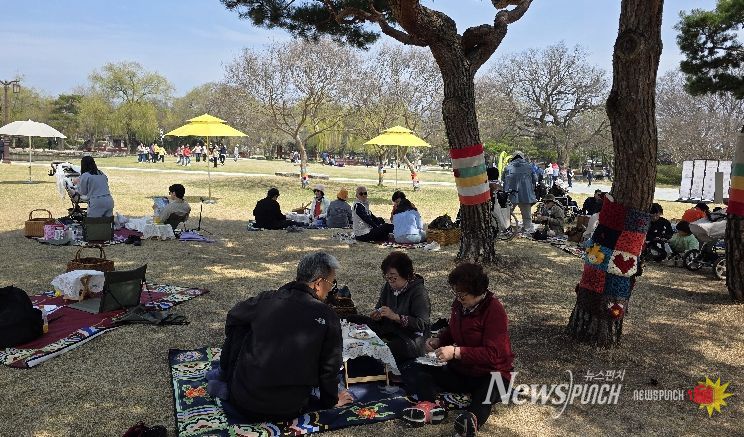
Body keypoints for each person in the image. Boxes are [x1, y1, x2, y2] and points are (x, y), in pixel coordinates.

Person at [218, 252, 353, 421]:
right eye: (332, 283)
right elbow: (330, 367)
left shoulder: (266, 300)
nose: (331, 289)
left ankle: (225, 376)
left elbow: (233, 317)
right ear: (318, 283)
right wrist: (331, 400)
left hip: (243, 401)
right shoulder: (327, 315)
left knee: (241, 326)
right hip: (290, 407)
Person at [401, 263, 513, 436]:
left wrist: (456, 352)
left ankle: (470, 421)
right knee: (420, 370)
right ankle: (429, 406)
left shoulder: (494, 310)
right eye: (456, 293)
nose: (458, 298)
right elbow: (453, 330)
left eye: (462, 294)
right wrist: (439, 340)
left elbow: (493, 354)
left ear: (478, 291)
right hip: (464, 370)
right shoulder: (460, 304)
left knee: (485, 394)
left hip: (492, 372)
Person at [347, 252, 430, 366]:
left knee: (384, 351)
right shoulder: (388, 286)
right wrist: (377, 315)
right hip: (388, 329)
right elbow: (380, 307)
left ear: (406, 274)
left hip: (409, 338)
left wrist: (396, 317)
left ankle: (367, 366)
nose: (390, 281)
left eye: (394, 277)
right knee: (351, 319)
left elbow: (422, 324)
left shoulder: (418, 292)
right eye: (387, 277)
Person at [503, 151, 538, 233]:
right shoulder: (529, 167)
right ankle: (527, 229)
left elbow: (503, 179)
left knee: (507, 214)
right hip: (526, 194)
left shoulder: (508, 167)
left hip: (511, 194)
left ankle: (506, 229)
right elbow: (535, 179)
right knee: (527, 215)